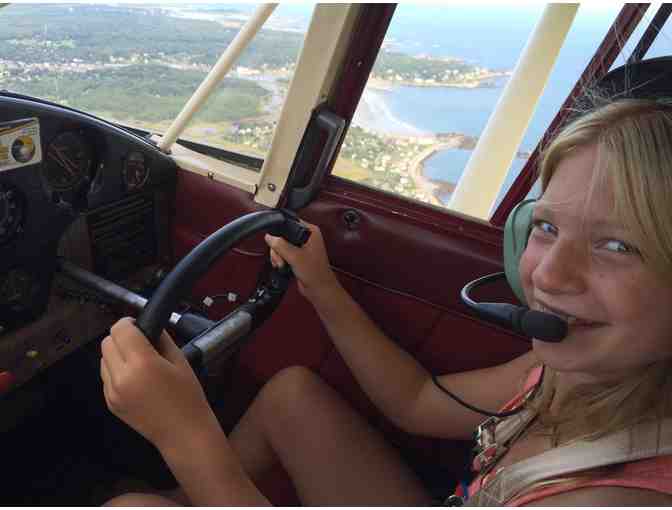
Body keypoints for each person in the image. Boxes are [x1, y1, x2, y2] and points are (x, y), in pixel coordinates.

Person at [100, 97, 672, 506]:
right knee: (291, 397)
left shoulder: (610, 499)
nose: (550, 273)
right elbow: (418, 401)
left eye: (617, 245)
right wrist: (322, 286)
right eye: (546, 229)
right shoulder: (559, 370)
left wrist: (186, 437)